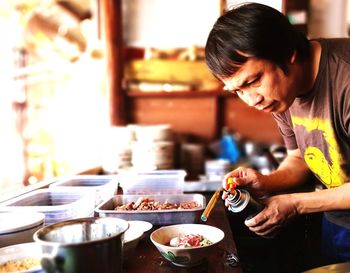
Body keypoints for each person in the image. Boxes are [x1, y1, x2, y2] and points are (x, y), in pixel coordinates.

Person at [205, 1, 350, 267]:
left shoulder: (345, 80)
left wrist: (295, 204)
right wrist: (266, 182)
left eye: (252, 81)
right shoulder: (283, 91)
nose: (251, 99)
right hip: (336, 219)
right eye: (237, 90)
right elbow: (300, 158)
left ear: (288, 52)